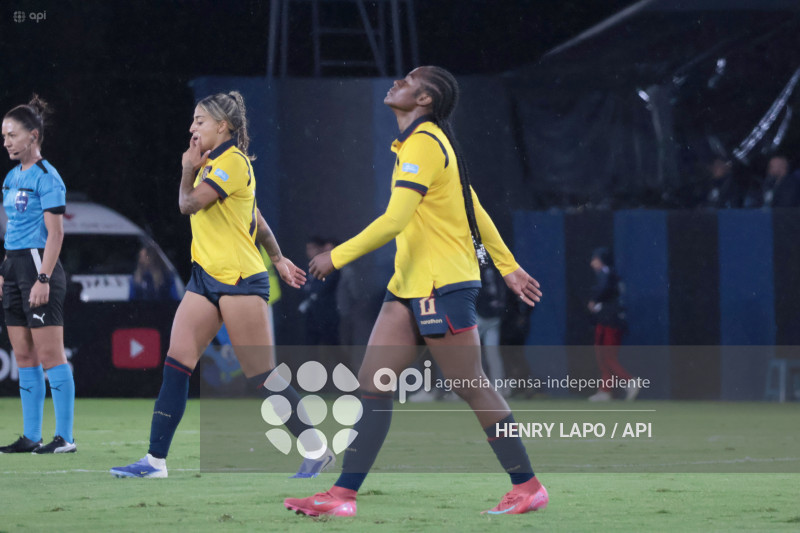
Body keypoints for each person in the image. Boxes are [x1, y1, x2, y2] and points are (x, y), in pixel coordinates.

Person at [284, 66, 547, 517]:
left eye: (408, 80)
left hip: (440, 284)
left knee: (471, 385)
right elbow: (473, 207)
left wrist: (337, 256)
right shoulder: (422, 143)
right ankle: (342, 496)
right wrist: (507, 266)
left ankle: (527, 486)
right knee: (372, 385)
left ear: (424, 100)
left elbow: (394, 219)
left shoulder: (425, 144)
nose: (396, 82)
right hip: (408, 285)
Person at [110, 91, 333, 478]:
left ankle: (316, 448)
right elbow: (256, 217)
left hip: (240, 280)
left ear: (222, 126)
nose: (192, 127)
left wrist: (185, 169)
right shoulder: (213, 163)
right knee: (177, 365)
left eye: (199, 120)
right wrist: (278, 257)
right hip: (205, 278)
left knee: (262, 376)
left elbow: (188, 204)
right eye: (193, 120)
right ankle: (155, 461)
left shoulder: (231, 162)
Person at [0, 95, 74, 454]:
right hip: (13, 267)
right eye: (4, 137)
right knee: (24, 357)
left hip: (37, 266)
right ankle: (31, 436)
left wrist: (43, 279)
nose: (7, 142)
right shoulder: (12, 177)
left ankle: (65, 438)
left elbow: (56, 234)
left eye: (12, 135)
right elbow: (12, 228)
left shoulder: (48, 177)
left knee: (51, 356)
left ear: (32, 135)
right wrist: (3, 271)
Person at [586, 247, 638, 402]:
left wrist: (594, 300)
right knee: (603, 356)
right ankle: (605, 390)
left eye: (595, 259)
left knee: (608, 357)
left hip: (611, 322)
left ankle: (630, 381)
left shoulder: (608, 274)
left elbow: (604, 290)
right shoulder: (607, 277)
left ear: (602, 260)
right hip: (605, 321)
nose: (592, 263)